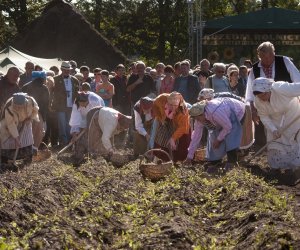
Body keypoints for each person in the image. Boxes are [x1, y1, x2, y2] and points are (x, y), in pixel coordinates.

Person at [245, 41, 300, 146]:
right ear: (259, 56)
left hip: (290, 106)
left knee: (294, 136)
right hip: (271, 111)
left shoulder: (284, 61)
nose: (266, 60)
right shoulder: (255, 69)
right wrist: (252, 108)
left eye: (269, 56)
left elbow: (297, 80)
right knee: (274, 138)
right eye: (263, 57)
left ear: (273, 53)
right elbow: (250, 92)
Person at [253, 77, 300, 169]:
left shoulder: (280, 87)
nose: (261, 99)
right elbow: (264, 116)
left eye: (263, 95)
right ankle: (278, 166)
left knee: (294, 139)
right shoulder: (258, 101)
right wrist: (273, 129)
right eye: (259, 96)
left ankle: (296, 166)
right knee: (275, 141)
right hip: (275, 120)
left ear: (268, 90)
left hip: (293, 115)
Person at [186, 97, 245, 170]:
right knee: (213, 137)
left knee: (230, 136)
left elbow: (228, 127)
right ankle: (215, 161)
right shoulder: (199, 118)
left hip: (236, 112)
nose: (197, 121)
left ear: (202, 114)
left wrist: (218, 140)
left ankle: (232, 161)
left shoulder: (215, 112)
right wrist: (190, 156)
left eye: (198, 118)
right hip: (222, 119)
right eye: (196, 119)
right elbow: (196, 137)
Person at [150, 92, 190, 162]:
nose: (173, 107)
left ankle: (177, 162)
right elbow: (155, 106)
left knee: (180, 144)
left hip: (179, 125)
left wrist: (173, 138)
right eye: (171, 105)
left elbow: (183, 127)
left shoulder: (183, 111)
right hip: (165, 120)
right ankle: (160, 158)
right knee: (161, 138)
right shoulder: (162, 99)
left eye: (175, 105)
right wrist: (160, 118)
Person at [0, 93, 39, 164]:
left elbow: (35, 110)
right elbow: (10, 124)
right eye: (16, 106)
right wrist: (16, 138)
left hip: (25, 122)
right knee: (8, 141)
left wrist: (30, 118)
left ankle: (28, 158)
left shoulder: (31, 102)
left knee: (27, 138)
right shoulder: (9, 108)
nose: (17, 108)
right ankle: (5, 160)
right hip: (9, 125)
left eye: (19, 107)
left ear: (24, 103)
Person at [69, 91, 104, 166]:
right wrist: (75, 135)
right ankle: (79, 151)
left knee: (94, 134)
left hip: (97, 115)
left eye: (84, 104)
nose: (83, 106)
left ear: (87, 101)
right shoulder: (76, 105)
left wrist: (89, 126)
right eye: (81, 104)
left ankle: (94, 152)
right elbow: (75, 120)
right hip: (84, 117)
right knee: (81, 133)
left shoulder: (95, 101)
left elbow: (97, 116)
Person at [50, 61, 80, 146]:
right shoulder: (55, 79)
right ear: (61, 69)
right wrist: (51, 104)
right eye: (65, 69)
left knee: (70, 124)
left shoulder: (75, 80)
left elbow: (78, 93)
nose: (67, 71)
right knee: (62, 124)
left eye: (68, 69)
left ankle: (70, 142)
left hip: (72, 106)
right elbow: (51, 93)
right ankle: (64, 142)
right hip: (60, 106)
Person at [22, 71, 49, 153]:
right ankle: (33, 150)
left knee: (27, 133)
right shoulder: (44, 88)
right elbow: (45, 104)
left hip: (25, 114)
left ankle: (26, 150)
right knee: (38, 132)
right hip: (38, 114)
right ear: (42, 78)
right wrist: (44, 118)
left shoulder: (25, 86)